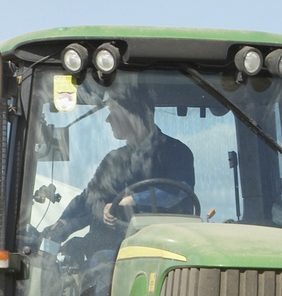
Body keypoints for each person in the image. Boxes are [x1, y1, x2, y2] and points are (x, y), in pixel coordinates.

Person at [45, 82, 197, 243]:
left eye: (113, 112)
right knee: (79, 249)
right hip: (116, 245)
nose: (108, 120)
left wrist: (131, 200)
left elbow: (179, 190)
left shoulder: (176, 152)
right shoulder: (115, 159)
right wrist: (63, 223)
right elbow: (91, 198)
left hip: (164, 243)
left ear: (135, 114)